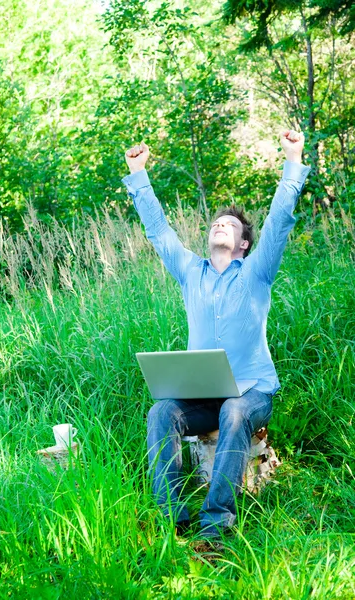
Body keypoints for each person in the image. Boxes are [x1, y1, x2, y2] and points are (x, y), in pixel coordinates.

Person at [122, 131, 310, 542]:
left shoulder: (257, 271)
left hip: (252, 392)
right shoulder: (191, 272)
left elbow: (278, 221)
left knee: (235, 412)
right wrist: (138, 175)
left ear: (243, 243)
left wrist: (292, 162)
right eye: (215, 223)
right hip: (205, 395)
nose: (220, 225)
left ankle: (214, 524)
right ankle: (172, 515)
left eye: (230, 225)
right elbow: (159, 232)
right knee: (161, 413)